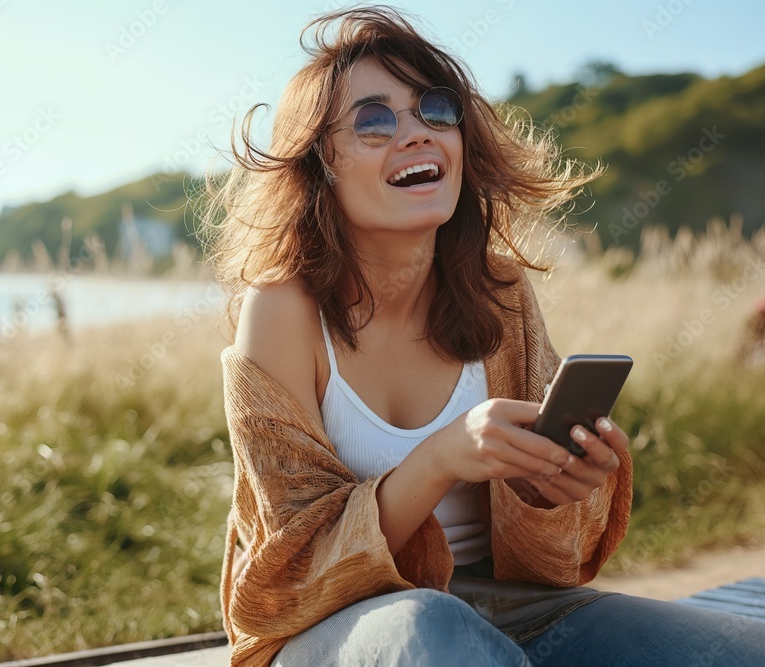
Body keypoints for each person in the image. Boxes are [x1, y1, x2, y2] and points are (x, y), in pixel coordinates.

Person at [201, 7, 765, 667]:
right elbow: (294, 560)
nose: (415, 133)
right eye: (376, 120)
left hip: (512, 610)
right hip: (339, 627)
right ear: (322, 160)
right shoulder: (281, 309)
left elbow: (551, 559)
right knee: (434, 627)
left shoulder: (498, 291)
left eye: (434, 110)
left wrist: (554, 487)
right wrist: (442, 456)